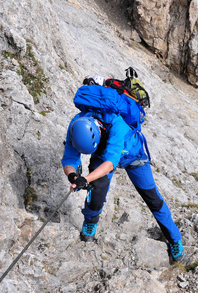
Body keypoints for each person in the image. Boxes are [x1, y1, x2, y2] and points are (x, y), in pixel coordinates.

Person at [61, 76, 184, 262]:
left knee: (152, 198)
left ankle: (174, 238)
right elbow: (69, 159)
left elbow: (110, 163)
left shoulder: (116, 124)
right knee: (97, 194)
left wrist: (86, 178)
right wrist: (73, 177)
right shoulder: (76, 125)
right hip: (103, 154)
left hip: (133, 155)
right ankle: (90, 223)